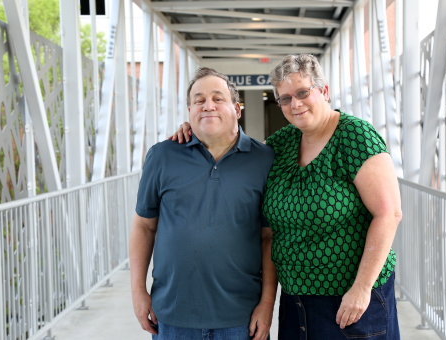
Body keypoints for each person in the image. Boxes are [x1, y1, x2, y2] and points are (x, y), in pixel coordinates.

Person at [172, 54, 402, 339]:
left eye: (303, 92)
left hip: (351, 301)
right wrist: (196, 131)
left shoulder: (355, 136)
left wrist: (362, 287)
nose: (295, 104)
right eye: (284, 98)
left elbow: (389, 213)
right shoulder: (281, 144)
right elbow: (234, 150)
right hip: (295, 300)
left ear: (324, 91)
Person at [129, 67, 277, 340]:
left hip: (240, 319)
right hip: (172, 317)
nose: (208, 106)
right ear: (189, 111)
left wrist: (267, 305)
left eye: (218, 98)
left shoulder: (264, 159)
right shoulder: (162, 156)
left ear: (237, 109)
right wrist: (138, 292)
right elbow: (144, 227)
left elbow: (268, 237)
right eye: (199, 100)